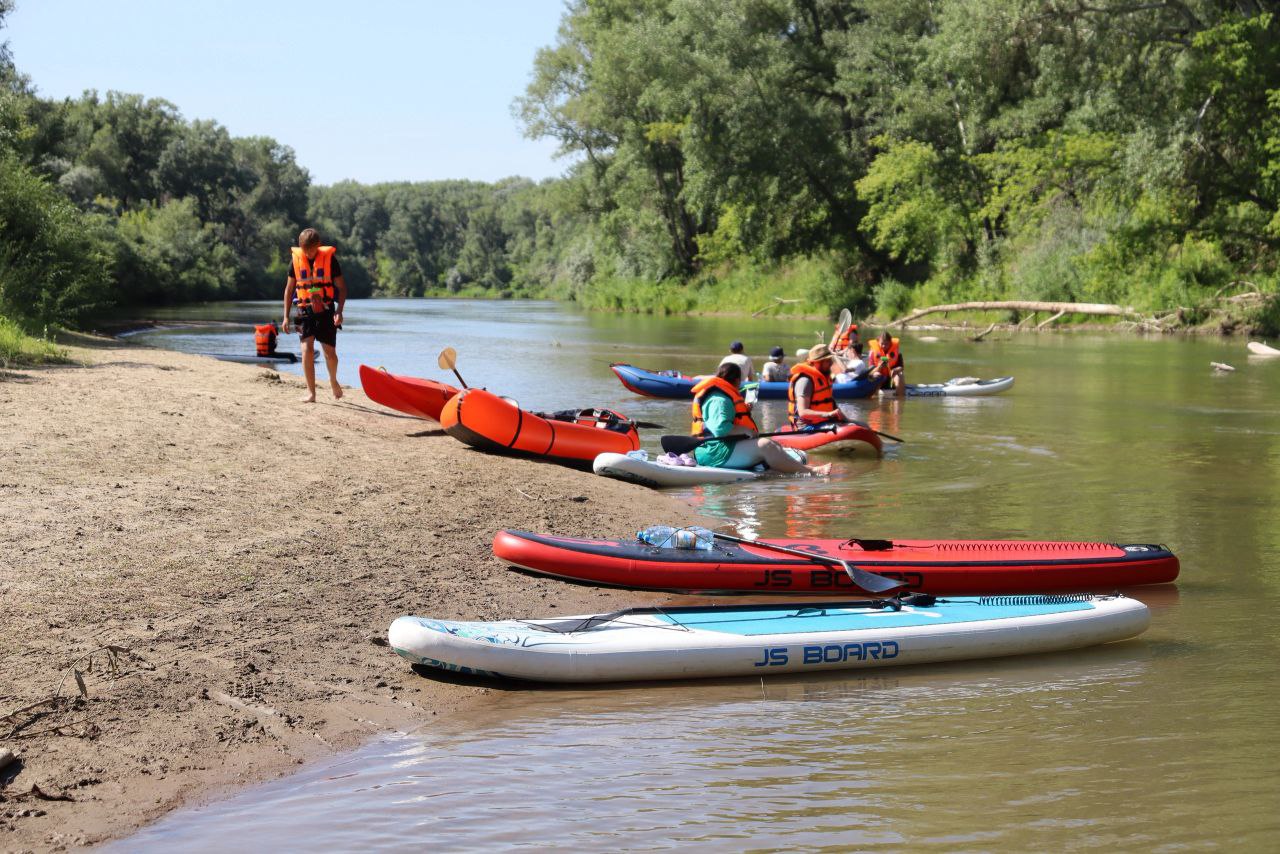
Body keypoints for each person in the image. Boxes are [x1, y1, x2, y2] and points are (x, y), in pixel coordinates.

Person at [692, 362, 829, 475]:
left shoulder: (721, 396)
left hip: (721, 449)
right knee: (765, 445)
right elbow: (720, 429)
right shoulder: (719, 399)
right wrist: (745, 430)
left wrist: (744, 411)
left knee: (772, 445)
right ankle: (812, 471)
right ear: (737, 380)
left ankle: (791, 469)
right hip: (714, 453)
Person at [282, 228, 347, 403]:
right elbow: (289, 291)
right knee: (306, 350)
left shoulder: (330, 260)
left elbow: (342, 288)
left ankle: (333, 381)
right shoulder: (295, 261)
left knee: (329, 353)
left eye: (310, 250)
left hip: (326, 311)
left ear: (318, 246)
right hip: (304, 310)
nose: (307, 253)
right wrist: (286, 316)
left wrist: (339, 311)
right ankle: (311, 393)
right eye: (304, 250)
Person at [788, 344, 853, 428]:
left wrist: (847, 420)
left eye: (830, 359)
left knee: (861, 426)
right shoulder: (805, 381)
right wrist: (828, 414)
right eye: (828, 360)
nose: (831, 363)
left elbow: (831, 404)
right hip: (806, 425)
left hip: (825, 421)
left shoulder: (824, 378)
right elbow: (803, 412)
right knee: (842, 429)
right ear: (817, 362)